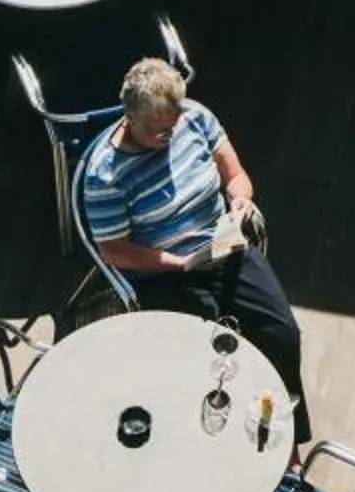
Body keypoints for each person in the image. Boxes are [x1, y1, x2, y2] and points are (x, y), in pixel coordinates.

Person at [82, 57, 309, 439]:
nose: (168, 135)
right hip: (164, 273)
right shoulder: (105, 175)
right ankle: (219, 438)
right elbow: (116, 251)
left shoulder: (195, 118)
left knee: (281, 332)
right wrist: (179, 263)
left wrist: (240, 200)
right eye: (157, 130)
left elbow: (236, 176)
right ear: (129, 118)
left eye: (172, 125)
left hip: (222, 245)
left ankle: (285, 433)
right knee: (209, 362)